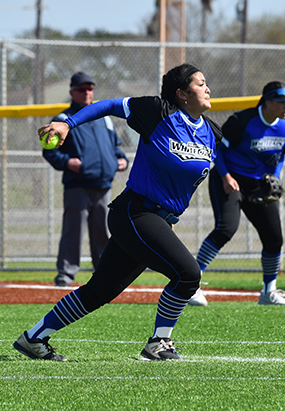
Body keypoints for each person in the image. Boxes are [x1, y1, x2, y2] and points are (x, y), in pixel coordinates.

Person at [13, 63, 220, 361]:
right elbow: (109, 105)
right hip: (136, 214)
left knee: (99, 291)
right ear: (182, 93)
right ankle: (158, 343)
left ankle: (33, 338)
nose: (207, 88)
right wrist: (67, 124)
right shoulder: (158, 113)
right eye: (201, 84)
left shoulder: (211, 132)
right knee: (188, 274)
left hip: (158, 221)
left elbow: (235, 157)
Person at [189, 81, 285, 307]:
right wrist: (226, 177)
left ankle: (269, 292)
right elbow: (217, 149)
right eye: (282, 102)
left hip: (259, 185)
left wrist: (275, 176)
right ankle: (189, 284)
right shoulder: (243, 121)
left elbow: (282, 154)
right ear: (268, 102)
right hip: (229, 178)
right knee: (227, 228)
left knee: (274, 238)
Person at [43, 72, 128, 287]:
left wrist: (121, 160)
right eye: (81, 89)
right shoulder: (63, 120)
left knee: (102, 232)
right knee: (74, 230)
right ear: (72, 92)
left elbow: (116, 148)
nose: (87, 92)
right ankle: (66, 274)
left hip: (103, 184)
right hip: (77, 185)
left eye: (89, 88)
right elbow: (49, 151)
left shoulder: (104, 118)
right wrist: (67, 162)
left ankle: (104, 273)